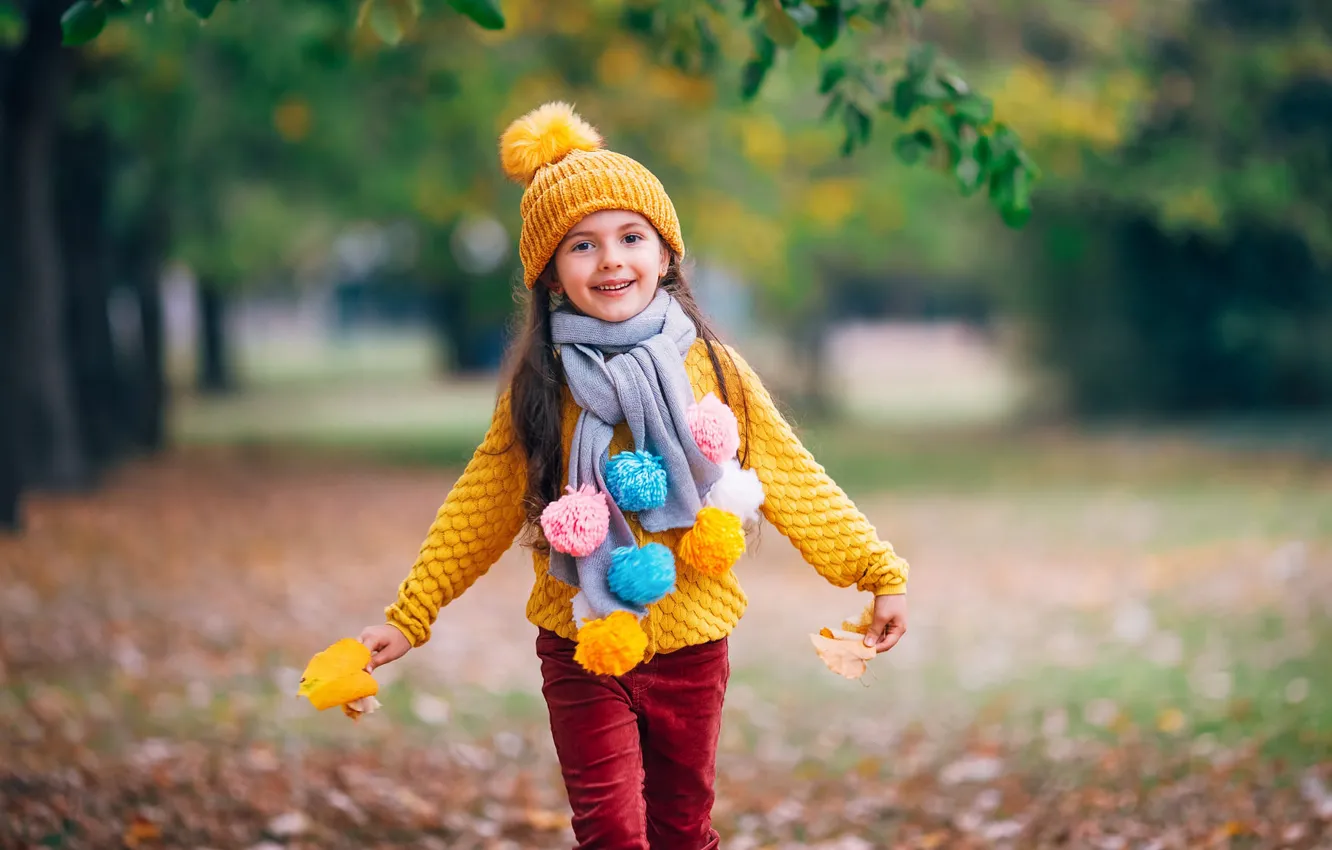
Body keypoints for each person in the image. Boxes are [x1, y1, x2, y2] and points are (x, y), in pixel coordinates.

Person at [357, 101, 910, 849]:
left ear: (665, 254)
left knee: (683, 829)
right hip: (583, 642)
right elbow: (481, 501)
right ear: (551, 273)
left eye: (630, 237)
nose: (611, 259)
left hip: (693, 643)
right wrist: (408, 615)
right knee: (612, 833)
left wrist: (877, 571)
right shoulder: (542, 383)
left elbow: (789, 471)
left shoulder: (712, 366)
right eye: (582, 245)